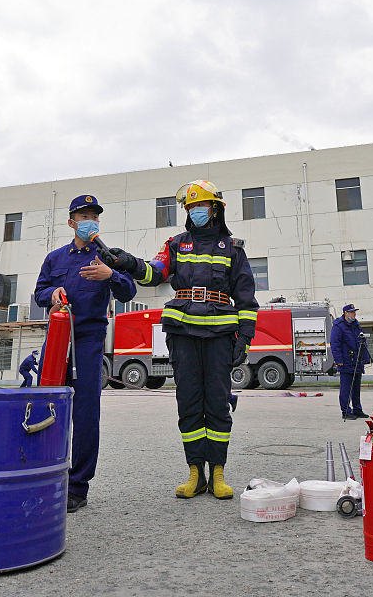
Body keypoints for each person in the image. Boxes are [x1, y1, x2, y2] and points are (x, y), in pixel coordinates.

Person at [102, 180, 257, 501]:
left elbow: (246, 298)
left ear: (215, 209)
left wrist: (245, 336)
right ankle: (195, 472)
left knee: (217, 401)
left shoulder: (233, 249)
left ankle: (217, 472)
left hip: (219, 332)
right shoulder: (175, 245)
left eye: (201, 206)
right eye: (191, 208)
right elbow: (155, 272)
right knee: (188, 400)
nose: (196, 212)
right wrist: (130, 263)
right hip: (183, 330)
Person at [34, 194, 137, 513]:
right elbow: (38, 293)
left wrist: (112, 275)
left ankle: (77, 486)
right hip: (57, 338)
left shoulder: (106, 256)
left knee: (86, 413)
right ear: (71, 222)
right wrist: (53, 293)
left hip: (90, 340)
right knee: (46, 405)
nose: (89, 220)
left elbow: (128, 290)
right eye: (83, 215)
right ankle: (43, 474)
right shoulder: (55, 259)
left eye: (94, 216)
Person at [331, 304, 370, 420]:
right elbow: (335, 344)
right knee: (346, 388)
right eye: (352, 312)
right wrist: (338, 361)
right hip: (346, 361)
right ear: (346, 313)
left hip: (357, 361)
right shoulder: (339, 326)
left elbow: (362, 342)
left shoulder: (356, 325)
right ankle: (346, 411)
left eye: (354, 312)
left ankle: (357, 410)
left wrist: (365, 358)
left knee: (356, 388)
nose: (354, 314)